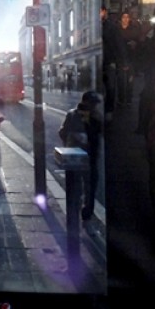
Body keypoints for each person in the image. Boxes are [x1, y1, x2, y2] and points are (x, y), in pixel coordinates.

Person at [58, 90, 103, 221]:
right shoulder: (94, 116)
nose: (94, 106)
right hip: (86, 157)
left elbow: (62, 132)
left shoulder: (73, 115)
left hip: (76, 158)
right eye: (93, 104)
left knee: (81, 185)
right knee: (88, 185)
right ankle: (85, 211)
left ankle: (81, 210)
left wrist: (69, 143)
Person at [101, 5, 123, 121]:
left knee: (110, 87)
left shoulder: (111, 27)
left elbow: (118, 45)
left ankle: (108, 110)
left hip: (109, 61)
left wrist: (120, 61)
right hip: (99, 61)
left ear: (104, 12)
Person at [117, 11, 139, 105]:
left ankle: (129, 98)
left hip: (130, 58)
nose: (125, 19)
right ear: (120, 19)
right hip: (120, 58)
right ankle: (121, 99)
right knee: (121, 80)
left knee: (130, 80)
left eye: (127, 17)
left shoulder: (133, 29)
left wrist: (134, 44)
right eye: (124, 17)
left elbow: (137, 41)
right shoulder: (117, 30)